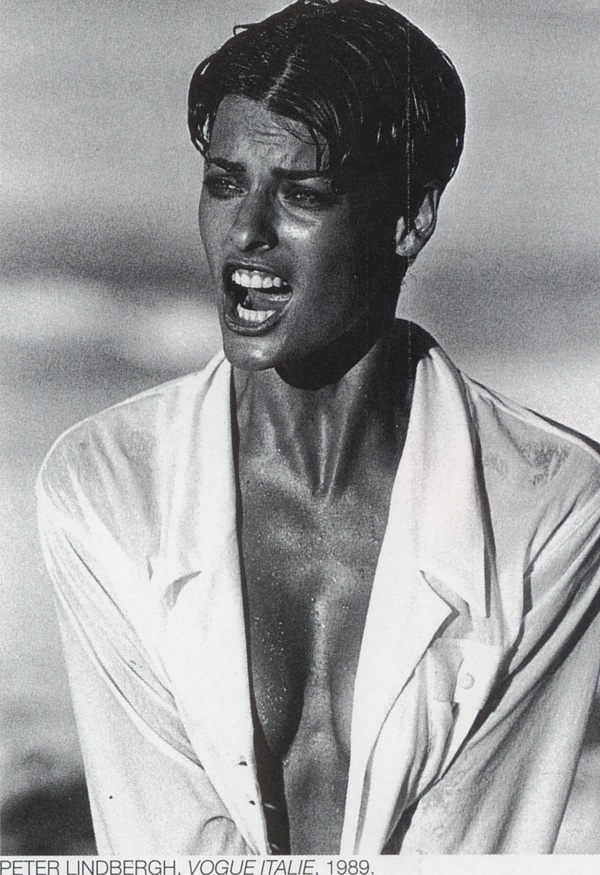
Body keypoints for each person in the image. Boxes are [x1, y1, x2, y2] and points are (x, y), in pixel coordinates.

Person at [37, 0, 600, 856]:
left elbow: (476, 844)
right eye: (224, 182)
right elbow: (160, 841)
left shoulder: (552, 508)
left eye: (301, 194)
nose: (246, 232)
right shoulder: (105, 488)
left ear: (410, 219)